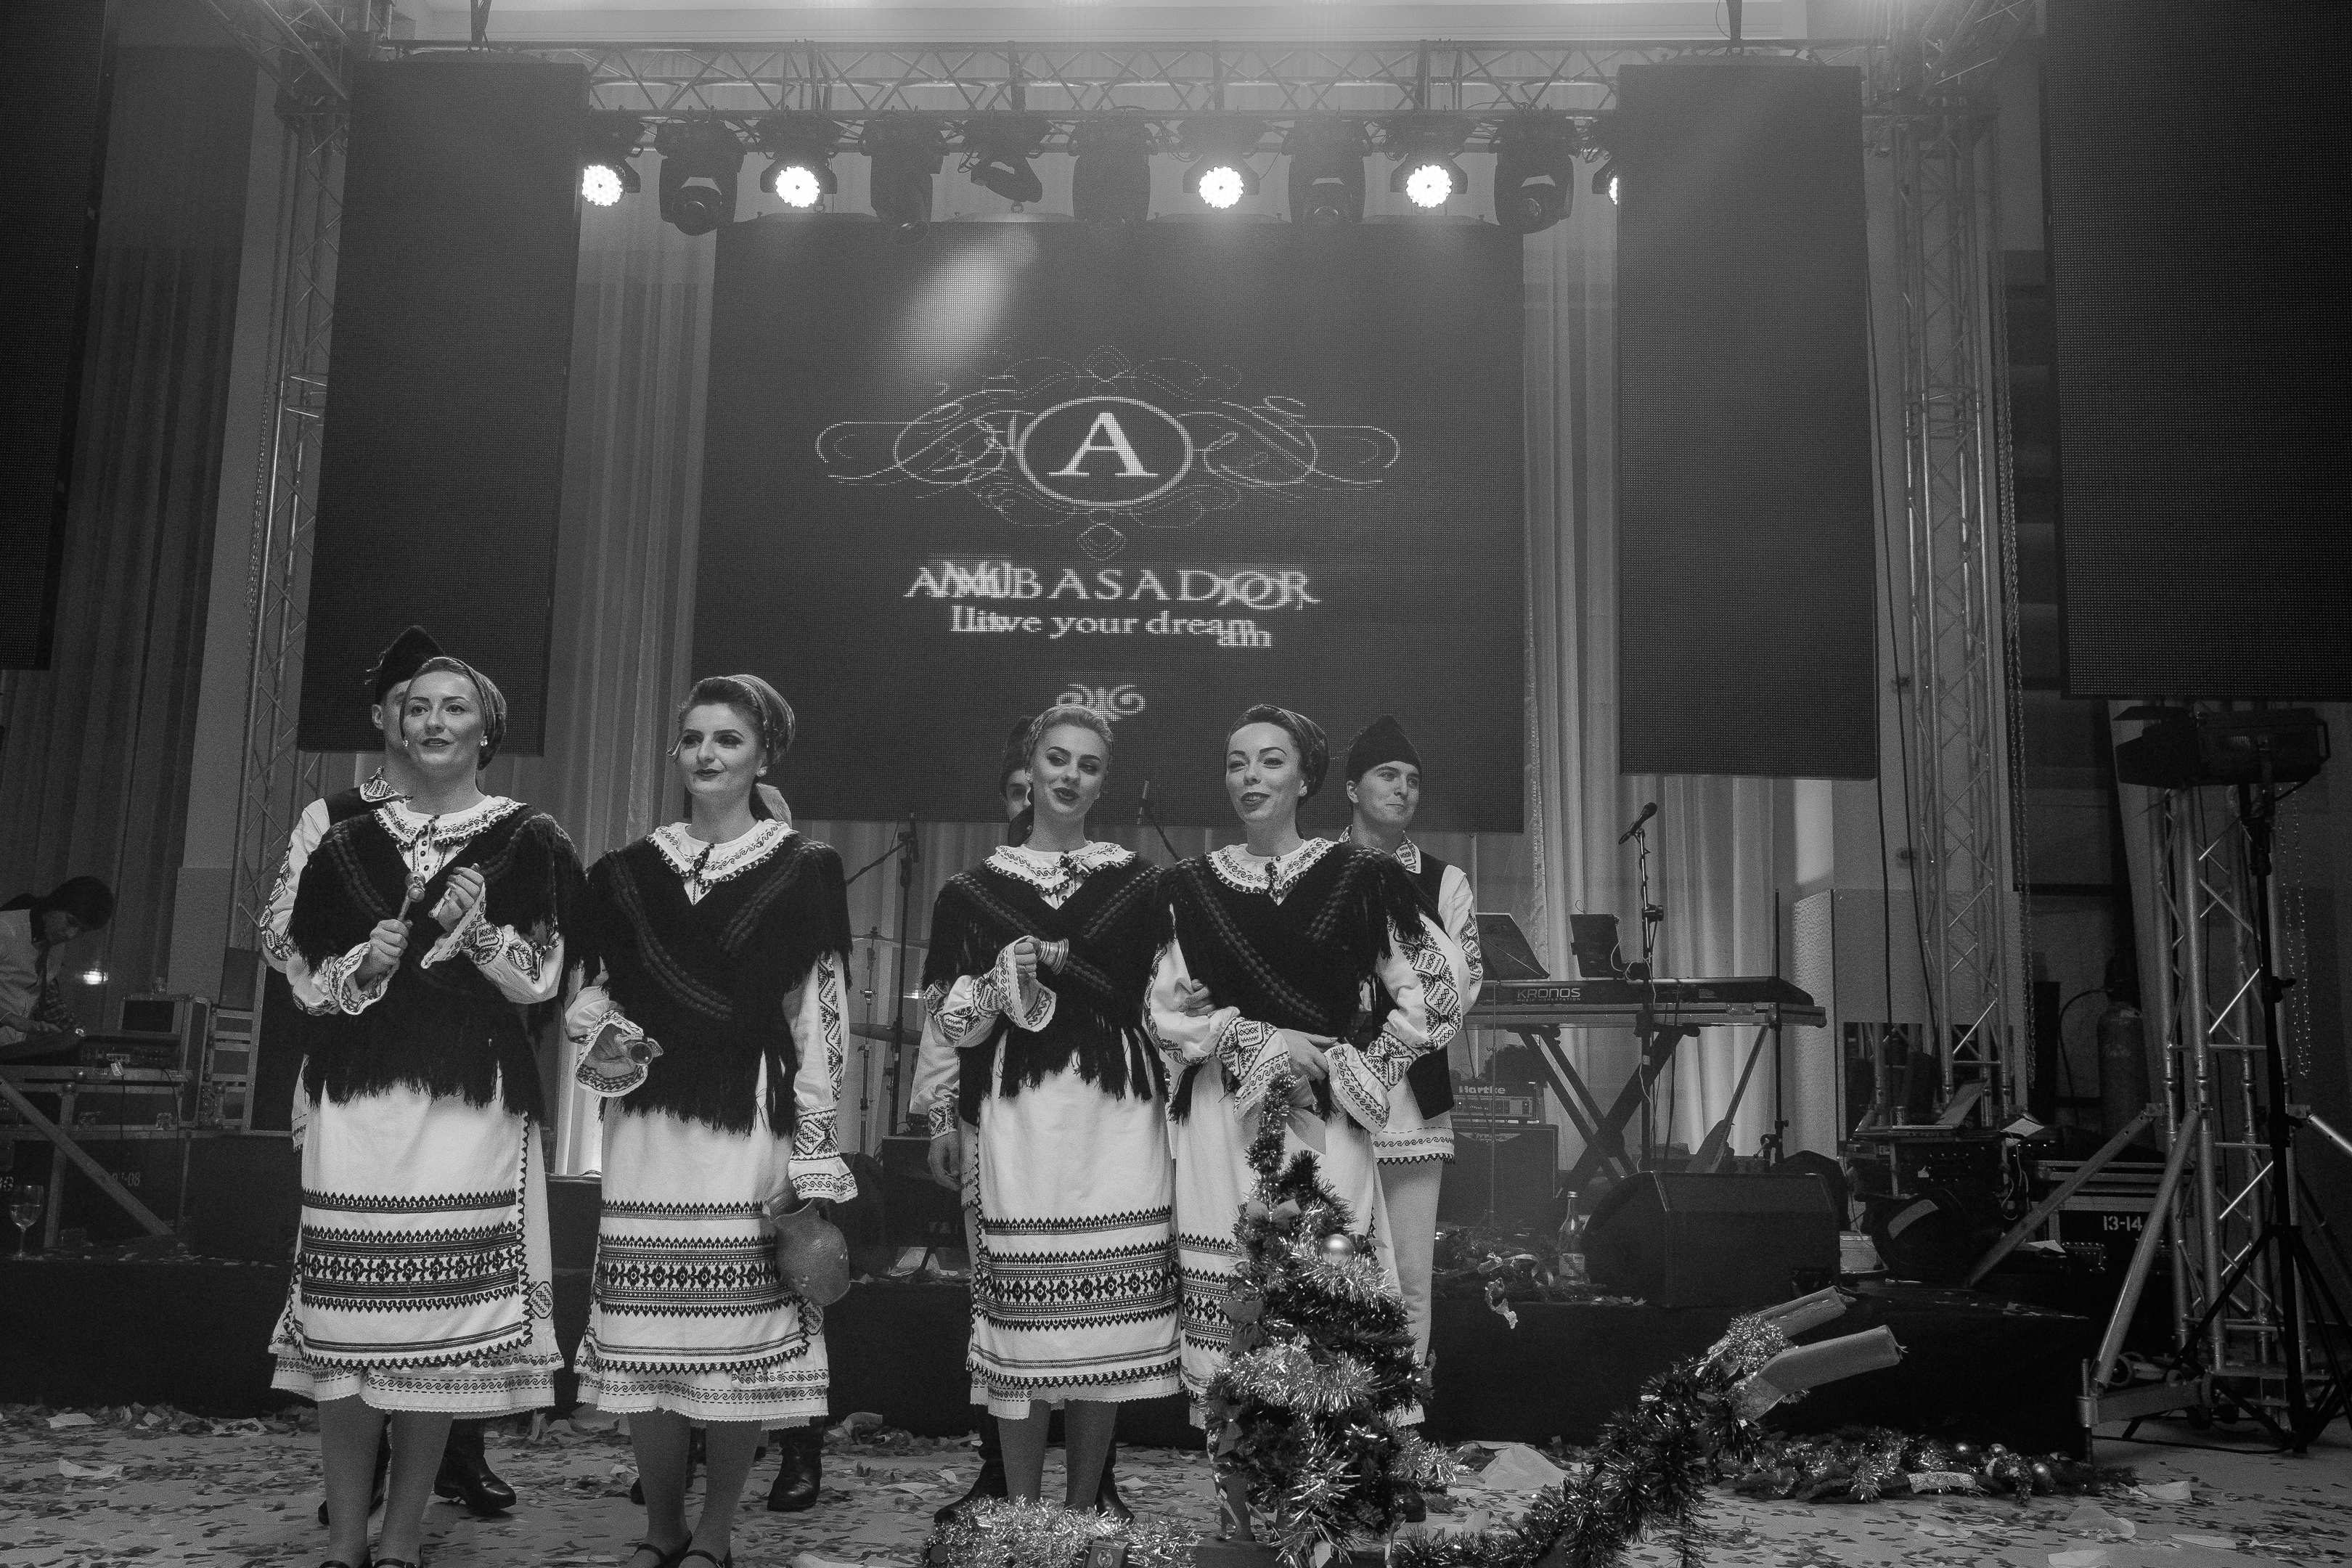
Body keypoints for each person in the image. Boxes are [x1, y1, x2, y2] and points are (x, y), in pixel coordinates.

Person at [274, 656, 581, 1568]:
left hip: (466, 1105)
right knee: (346, 1329)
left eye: (454, 708)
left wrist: (477, 933)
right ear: (397, 725)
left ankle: (402, 1536)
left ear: (488, 730)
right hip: (357, 1101)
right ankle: (344, 1540)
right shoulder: (343, 842)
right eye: (418, 708)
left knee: (437, 1336)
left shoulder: (529, 839)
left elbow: (543, 978)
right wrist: (362, 967)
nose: (434, 721)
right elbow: (303, 979)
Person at [1146, 704, 1463, 1532]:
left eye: (1270, 760)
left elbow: (1437, 987)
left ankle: (1323, 1510)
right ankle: (1238, 1513)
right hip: (1224, 1117)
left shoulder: (1359, 877)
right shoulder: (1187, 889)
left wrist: (1363, 1069)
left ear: (1306, 778)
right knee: (1231, 1306)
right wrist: (1255, 1037)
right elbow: (1163, 1011)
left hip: (1325, 1123)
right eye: (1236, 762)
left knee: (1326, 1302)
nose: (1250, 776)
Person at [568, 674, 858, 1566]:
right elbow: (592, 994)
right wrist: (599, 1028)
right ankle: (662, 1528)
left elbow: (822, 1013)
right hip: (648, 1125)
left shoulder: (806, 868)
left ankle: (716, 1533)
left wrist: (815, 1146)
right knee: (648, 1341)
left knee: (737, 1344)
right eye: (693, 738)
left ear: (763, 756)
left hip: (748, 1121)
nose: (707, 754)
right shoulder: (623, 873)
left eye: (728, 739)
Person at [920, 703, 1180, 1513]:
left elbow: (1166, 1007)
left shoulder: (1142, 884)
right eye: (1058, 759)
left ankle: (1086, 1510)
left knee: (1106, 1326)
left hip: (1118, 1112)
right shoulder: (969, 892)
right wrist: (944, 1111)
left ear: (1105, 782)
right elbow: (947, 1022)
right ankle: (1025, 1519)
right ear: (1029, 769)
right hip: (1018, 1112)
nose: (1070, 776)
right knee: (1020, 1324)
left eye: (1089, 765)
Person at [1337, 716, 1486, 1371]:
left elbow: (1465, 983)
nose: (1403, 790)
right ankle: (1335, 1411)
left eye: (1413, 781)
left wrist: (1385, 1051)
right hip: (1332, 1090)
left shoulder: (1443, 880)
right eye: (1388, 775)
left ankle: (1399, 1417)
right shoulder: (1316, 869)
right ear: (1352, 788)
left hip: (1411, 1096)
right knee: (1334, 1269)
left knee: (1410, 1276)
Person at [0, 877, 115, 1064]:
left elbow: (50, 1004)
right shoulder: (4, 929)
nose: (71, 934)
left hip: (8, 1056)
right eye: (71, 922)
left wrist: (87, 1039)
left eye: (81, 930)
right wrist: (9, 1018)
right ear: (56, 903)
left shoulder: (55, 945)